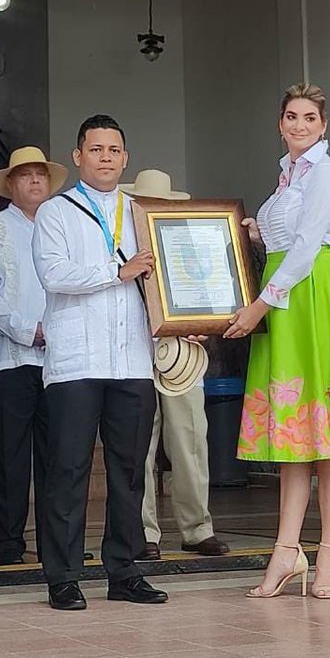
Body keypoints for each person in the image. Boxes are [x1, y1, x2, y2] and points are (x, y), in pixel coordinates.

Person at [226, 84, 330, 600]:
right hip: (288, 294)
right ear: (280, 123)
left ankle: (329, 554)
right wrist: (253, 234)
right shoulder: (287, 175)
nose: (299, 125)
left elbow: (308, 247)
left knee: (329, 437)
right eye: (291, 116)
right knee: (295, 441)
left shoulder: (328, 174)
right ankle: (286, 550)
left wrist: (259, 306)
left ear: (324, 126)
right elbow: (283, 242)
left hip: (312, 295)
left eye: (309, 117)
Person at [32, 115, 168, 611]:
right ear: (78, 156)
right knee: (67, 469)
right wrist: (118, 270)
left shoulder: (143, 213)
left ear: (125, 157)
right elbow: (54, 273)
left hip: (132, 359)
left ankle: (124, 570)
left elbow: (164, 280)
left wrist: (184, 316)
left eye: (114, 149)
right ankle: (63, 577)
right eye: (96, 149)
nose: (106, 157)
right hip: (75, 362)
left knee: (130, 470)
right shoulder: (56, 212)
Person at [0, 146, 67, 566]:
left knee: (58, 457)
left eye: (40, 175)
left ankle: (56, 544)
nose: (35, 182)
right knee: (8, 457)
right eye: (25, 175)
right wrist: (29, 330)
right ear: (10, 184)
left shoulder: (62, 227)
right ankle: (7, 546)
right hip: (8, 359)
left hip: (60, 361)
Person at [121, 169, 230, 561]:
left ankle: (197, 528)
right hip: (133, 354)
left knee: (190, 441)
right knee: (137, 448)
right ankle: (142, 531)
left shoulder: (191, 244)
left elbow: (212, 292)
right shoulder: (119, 249)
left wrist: (204, 324)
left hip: (184, 355)